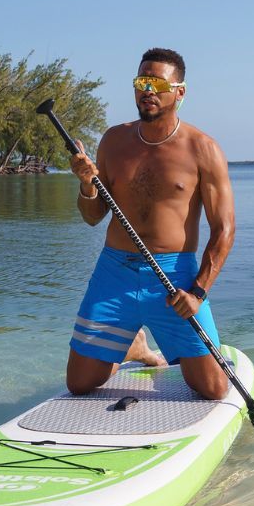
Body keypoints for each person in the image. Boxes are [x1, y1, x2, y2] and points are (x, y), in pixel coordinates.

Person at [65, 48, 234, 400]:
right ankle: (135, 348)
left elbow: (224, 231)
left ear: (180, 91)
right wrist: (85, 185)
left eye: (157, 82)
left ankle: (136, 344)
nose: (148, 90)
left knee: (213, 390)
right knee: (79, 384)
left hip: (174, 278)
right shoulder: (113, 141)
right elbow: (93, 217)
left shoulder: (204, 149)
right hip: (114, 272)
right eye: (142, 81)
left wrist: (198, 293)